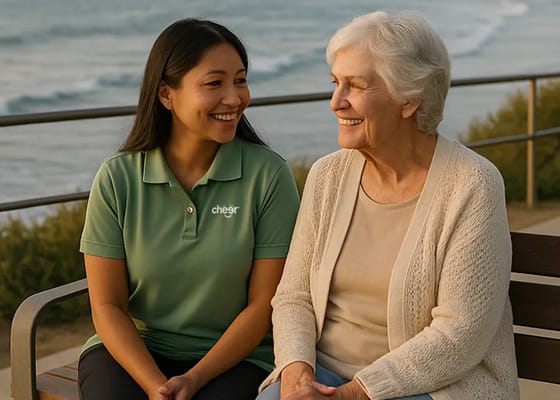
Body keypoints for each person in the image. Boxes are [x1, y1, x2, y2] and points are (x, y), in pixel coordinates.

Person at [257, 11, 519, 400]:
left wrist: (354, 393)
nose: (335, 102)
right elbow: (295, 297)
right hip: (322, 377)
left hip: (437, 386)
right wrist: (296, 374)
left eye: (355, 86)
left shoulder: (472, 184)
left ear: (409, 99)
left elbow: (459, 335)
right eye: (335, 83)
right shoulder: (327, 175)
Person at [77, 18, 301, 400]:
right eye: (215, 83)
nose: (234, 98)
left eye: (240, 80)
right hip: (135, 353)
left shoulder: (269, 175)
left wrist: (195, 378)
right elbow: (108, 305)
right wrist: (154, 386)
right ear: (167, 95)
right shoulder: (118, 179)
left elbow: (264, 305)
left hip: (240, 359)